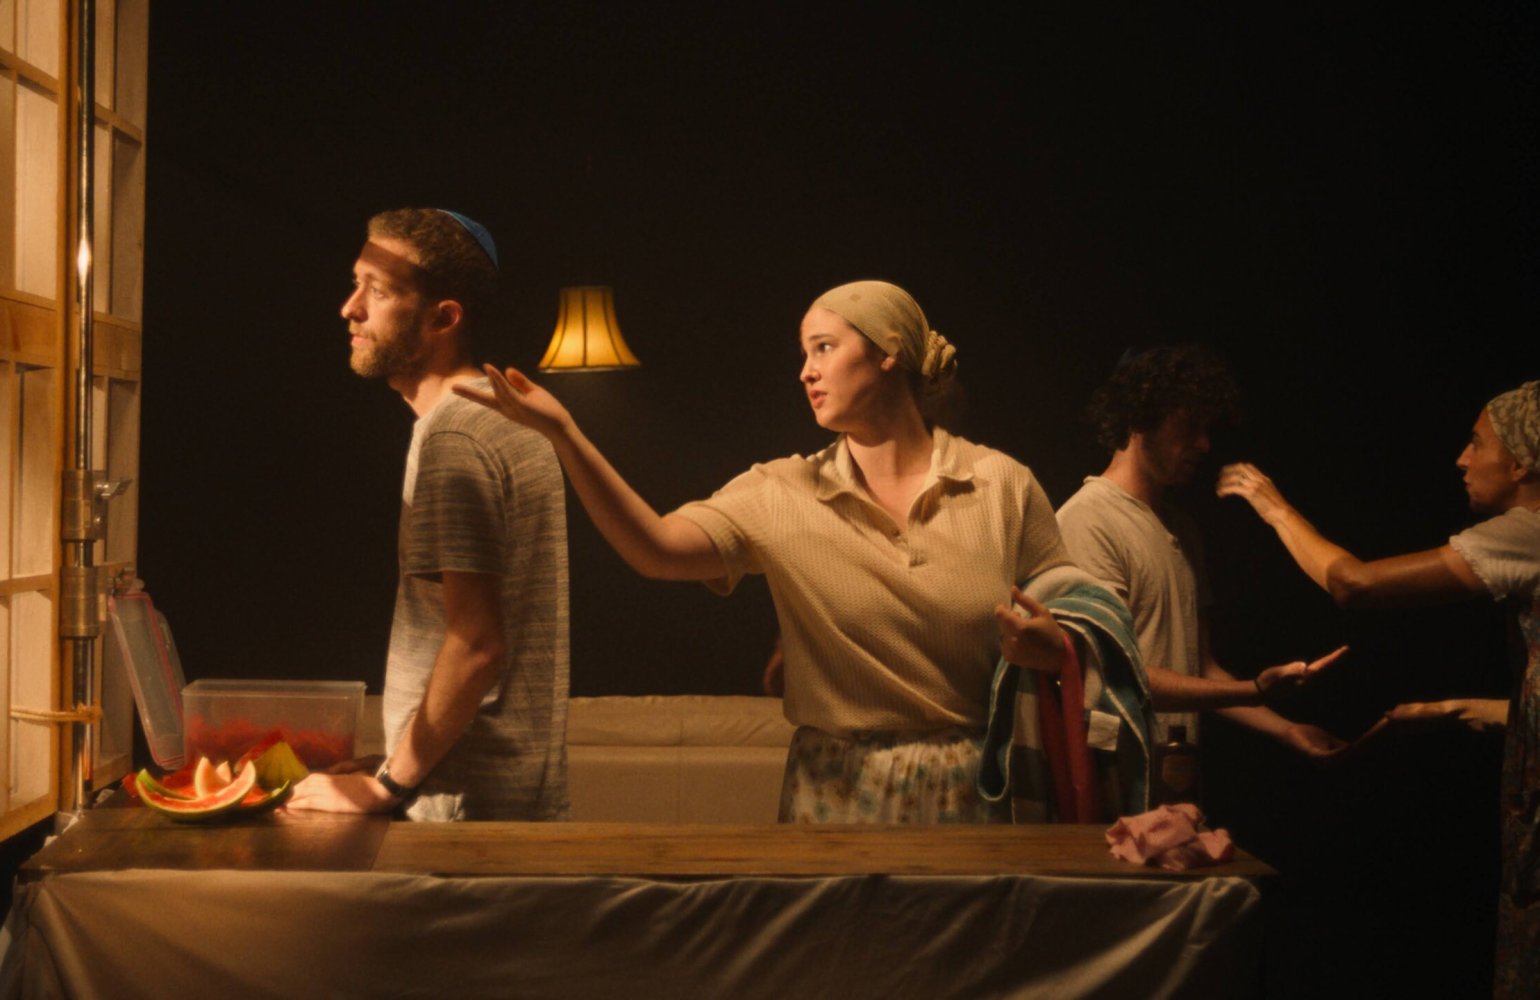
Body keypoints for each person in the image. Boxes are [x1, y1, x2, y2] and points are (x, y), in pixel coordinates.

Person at [455, 280, 1145, 824]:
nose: (805, 372)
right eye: (804, 353)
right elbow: (656, 549)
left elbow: (1083, 611)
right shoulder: (781, 492)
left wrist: (1057, 645)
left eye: (823, 348)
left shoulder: (998, 484)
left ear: (889, 351)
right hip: (836, 791)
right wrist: (565, 434)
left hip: (974, 791)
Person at [1218, 380, 1540, 998]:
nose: (1462, 459)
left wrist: (1274, 508)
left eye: (1478, 443)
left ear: (1522, 462)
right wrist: (1458, 709)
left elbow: (1355, 584)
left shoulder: (1528, 532)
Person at [288, 208, 570, 821]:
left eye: (378, 291)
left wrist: (387, 786)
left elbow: (477, 645)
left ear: (443, 318)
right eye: (356, 282)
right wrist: (396, 760)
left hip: (460, 814)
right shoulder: (509, 417)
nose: (350, 308)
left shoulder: (455, 439)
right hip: (491, 796)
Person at [1056, 345, 1348, 763]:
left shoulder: (1182, 528)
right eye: (1190, 426)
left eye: (1206, 428)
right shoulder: (1088, 520)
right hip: (1115, 774)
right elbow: (1117, 672)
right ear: (1139, 418)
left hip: (1175, 770)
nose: (1204, 443)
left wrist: (1287, 730)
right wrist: (1254, 690)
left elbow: (1200, 669)